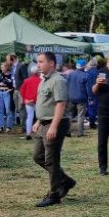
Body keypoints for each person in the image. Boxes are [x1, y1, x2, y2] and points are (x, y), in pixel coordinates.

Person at [33, 52, 75, 207]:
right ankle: (65, 180)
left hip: (54, 123)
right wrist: (38, 121)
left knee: (51, 160)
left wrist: (54, 126)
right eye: (37, 62)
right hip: (44, 123)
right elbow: (45, 103)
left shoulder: (58, 81)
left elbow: (60, 104)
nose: (38, 65)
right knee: (38, 156)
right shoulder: (44, 80)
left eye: (41, 61)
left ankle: (54, 194)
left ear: (51, 63)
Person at [66, 59, 91, 137]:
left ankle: (67, 131)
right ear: (84, 66)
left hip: (71, 97)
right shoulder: (86, 75)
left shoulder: (70, 74)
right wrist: (90, 98)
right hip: (81, 98)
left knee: (69, 115)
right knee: (80, 116)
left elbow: (66, 85)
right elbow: (88, 89)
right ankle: (80, 133)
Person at [19, 64, 41, 140]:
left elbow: (22, 90)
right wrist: (33, 99)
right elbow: (39, 92)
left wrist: (25, 99)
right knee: (40, 117)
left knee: (29, 117)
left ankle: (28, 133)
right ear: (37, 72)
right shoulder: (41, 81)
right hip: (37, 101)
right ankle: (39, 133)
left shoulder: (26, 80)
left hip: (28, 101)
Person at [0, 58, 15, 132]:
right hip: (0, 92)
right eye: (1, 67)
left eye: (3, 67)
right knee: (0, 110)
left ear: (7, 67)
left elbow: (13, 85)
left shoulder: (11, 75)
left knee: (8, 110)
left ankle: (9, 126)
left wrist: (9, 88)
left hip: (7, 93)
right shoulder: (0, 75)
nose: (2, 68)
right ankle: (1, 126)